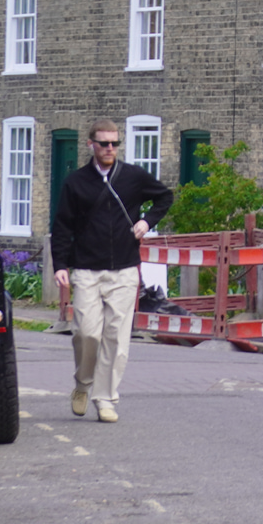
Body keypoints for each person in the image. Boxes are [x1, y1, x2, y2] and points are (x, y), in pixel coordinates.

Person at [49, 119, 174, 423]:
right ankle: (82, 384)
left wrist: (147, 221)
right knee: (87, 333)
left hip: (124, 270)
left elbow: (164, 196)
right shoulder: (75, 182)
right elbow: (63, 225)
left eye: (114, 143)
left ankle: (105, 398)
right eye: (103, 143)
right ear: (90, 144)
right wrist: (60, 265)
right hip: (87, 270)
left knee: (116, 337)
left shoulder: (132, 176)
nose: (109, 149)